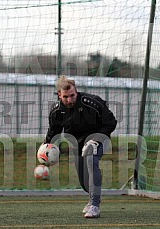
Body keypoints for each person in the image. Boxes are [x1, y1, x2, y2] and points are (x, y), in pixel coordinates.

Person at [43, 75, 117, 218]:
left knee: (91, 158)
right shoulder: (56, 111)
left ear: (76, 91)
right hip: (77, 144)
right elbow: (54, 131)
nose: (70, 100)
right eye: (66, 97)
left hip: (99, 138)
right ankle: (93, 195)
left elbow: (111, 122)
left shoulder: (92, 102)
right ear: (59, 94)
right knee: (84, 182)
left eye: (72, 95)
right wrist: (45, 148)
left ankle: (95, 205)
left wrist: (95, 139)